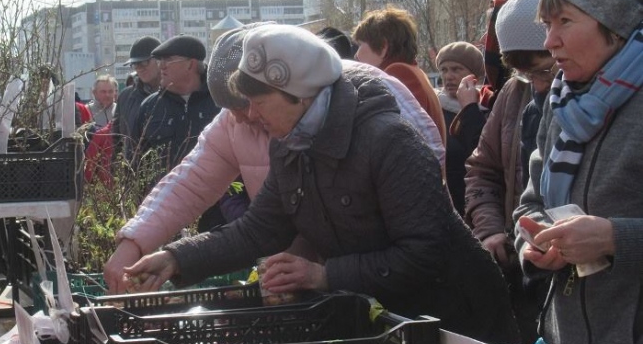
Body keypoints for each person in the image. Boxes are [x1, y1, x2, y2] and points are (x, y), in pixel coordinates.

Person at [125, 25, 520, 344]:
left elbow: (423, 252)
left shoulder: (387, 140)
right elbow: (259, 229)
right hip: (394, 322)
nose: (253, 117)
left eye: (259, 103)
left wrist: (324, 275)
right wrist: (177, 258)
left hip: (460, 323)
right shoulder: (290, 144)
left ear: (297, 95)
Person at [103, 23, 446, 293]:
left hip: (423, 300)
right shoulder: (280, 139)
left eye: (253, 103)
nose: (246, 116)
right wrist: (162, 252)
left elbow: (423, 237)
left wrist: (323, 268)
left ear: (291, 91)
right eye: (235, 108)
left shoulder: (380, 125)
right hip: (337, 284)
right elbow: (233, 212)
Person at [515, 0, 643, 344]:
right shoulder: (561, 99)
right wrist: (530, 244)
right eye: (547, 25)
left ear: (617, 25)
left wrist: (613, 238)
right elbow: (529, 202)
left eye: (565, 22)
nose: (550, 41)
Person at [464, 0, 556, 344]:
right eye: (526, 74)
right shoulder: (513, 94)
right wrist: (489, 229)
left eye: (544, 71)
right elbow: (482, 169)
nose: (538, 84)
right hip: (521, 271)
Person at [352, 6, 448, 146]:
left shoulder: (397, 73)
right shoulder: (413, 71)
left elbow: (401, 138)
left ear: (383, 47)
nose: (356, 55)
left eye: (360, 44)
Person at [131, 34, 220, 174]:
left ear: (191, 64)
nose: (161, 66)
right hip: (165, 194)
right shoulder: (150, 106)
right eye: (160, 60)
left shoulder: (221, 101)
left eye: (169, 60)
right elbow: (135, 163)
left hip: (221, 193)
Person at [435, 41, 487, 215]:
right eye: (444, 69)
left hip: (478, 204)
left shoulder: (489, 107)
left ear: (474, 75)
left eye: (456, 69)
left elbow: (483, 154)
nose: (448, 76)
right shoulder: (434, 108)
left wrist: (469, 109)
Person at [112, 36, 161, 160]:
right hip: (133, 171)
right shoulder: (126, 96)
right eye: (135, 64)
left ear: (159, 60)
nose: (139, 68)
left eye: (144, 62)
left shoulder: (174, 93)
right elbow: (116, 139)